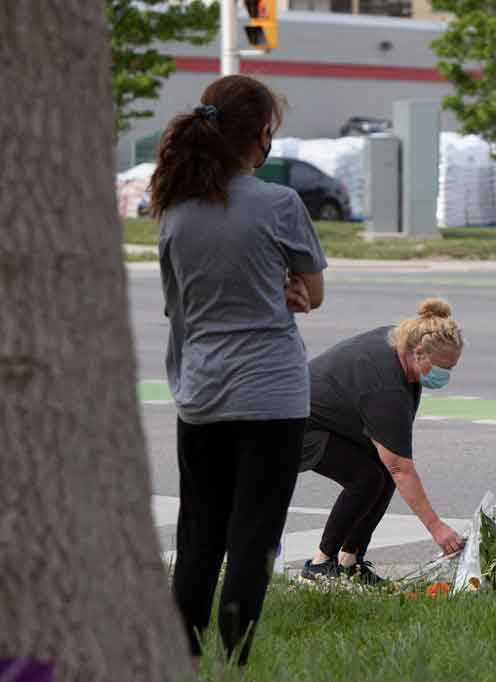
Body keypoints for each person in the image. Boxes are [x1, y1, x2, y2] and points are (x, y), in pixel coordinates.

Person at [152, 75, 327, 667]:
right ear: (263, 135)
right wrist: (283, 293)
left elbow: (178, 308)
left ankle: (187, 657)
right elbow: (314, 293)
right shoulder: (281, 204)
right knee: (254, 536)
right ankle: (236, 660)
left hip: (200, 393)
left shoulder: (174, 212)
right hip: (273, 396)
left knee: (198, 533)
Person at [297, 298, 467, 584]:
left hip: (334, 416)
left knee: (381, 474)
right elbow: (401, 468)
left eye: (451, 367)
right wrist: (436, 528)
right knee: (367, 478)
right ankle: (319, 566)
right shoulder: (386, 387)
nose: (445, 375)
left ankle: (350, 562)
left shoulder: (403, 339)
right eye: (442, 367)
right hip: (301, 423)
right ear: (419, 353)